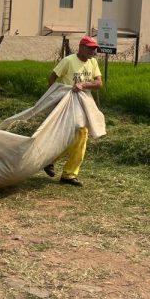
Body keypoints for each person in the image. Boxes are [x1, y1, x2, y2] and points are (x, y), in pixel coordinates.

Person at [44, 35, 103, 186]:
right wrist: (56, 96)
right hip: (68, 103)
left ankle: (63, 169)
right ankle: (60, 168)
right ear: (81, 48)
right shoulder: (68, 61)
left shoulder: (93, 62)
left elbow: (98, 83)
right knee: (74, 134)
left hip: (84, 103)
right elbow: (52, 78)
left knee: (80, 135)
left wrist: (83, 85)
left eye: (94, 49)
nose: (93, 51)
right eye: (90, 48)